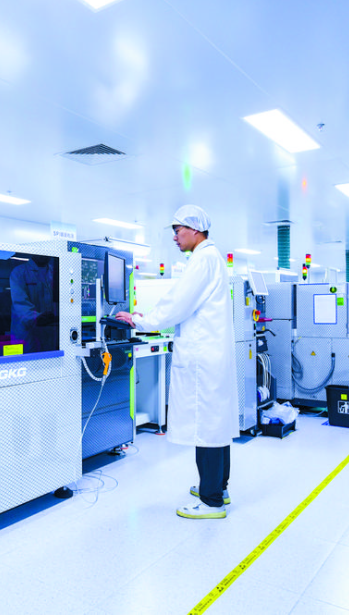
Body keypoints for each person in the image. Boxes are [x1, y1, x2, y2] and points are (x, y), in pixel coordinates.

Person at [115, 205, 237, 519]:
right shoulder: (211, 257)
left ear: (194, 229)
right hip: (211, 355)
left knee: (206, 427)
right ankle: (218, 487)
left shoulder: (203, 259)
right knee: (215, 425)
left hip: (203, 358)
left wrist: (141, 320)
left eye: (178, 230)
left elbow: (177, 303)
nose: (174, 237)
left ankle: (211, 501)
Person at [10, 255, 57, 354]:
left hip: (50, 332)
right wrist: (37, 317)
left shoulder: (55, 272)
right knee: (25, 361)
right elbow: (20, 303)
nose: (43, 255)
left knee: (50, 360)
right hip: (26, 332)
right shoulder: (19, 272)